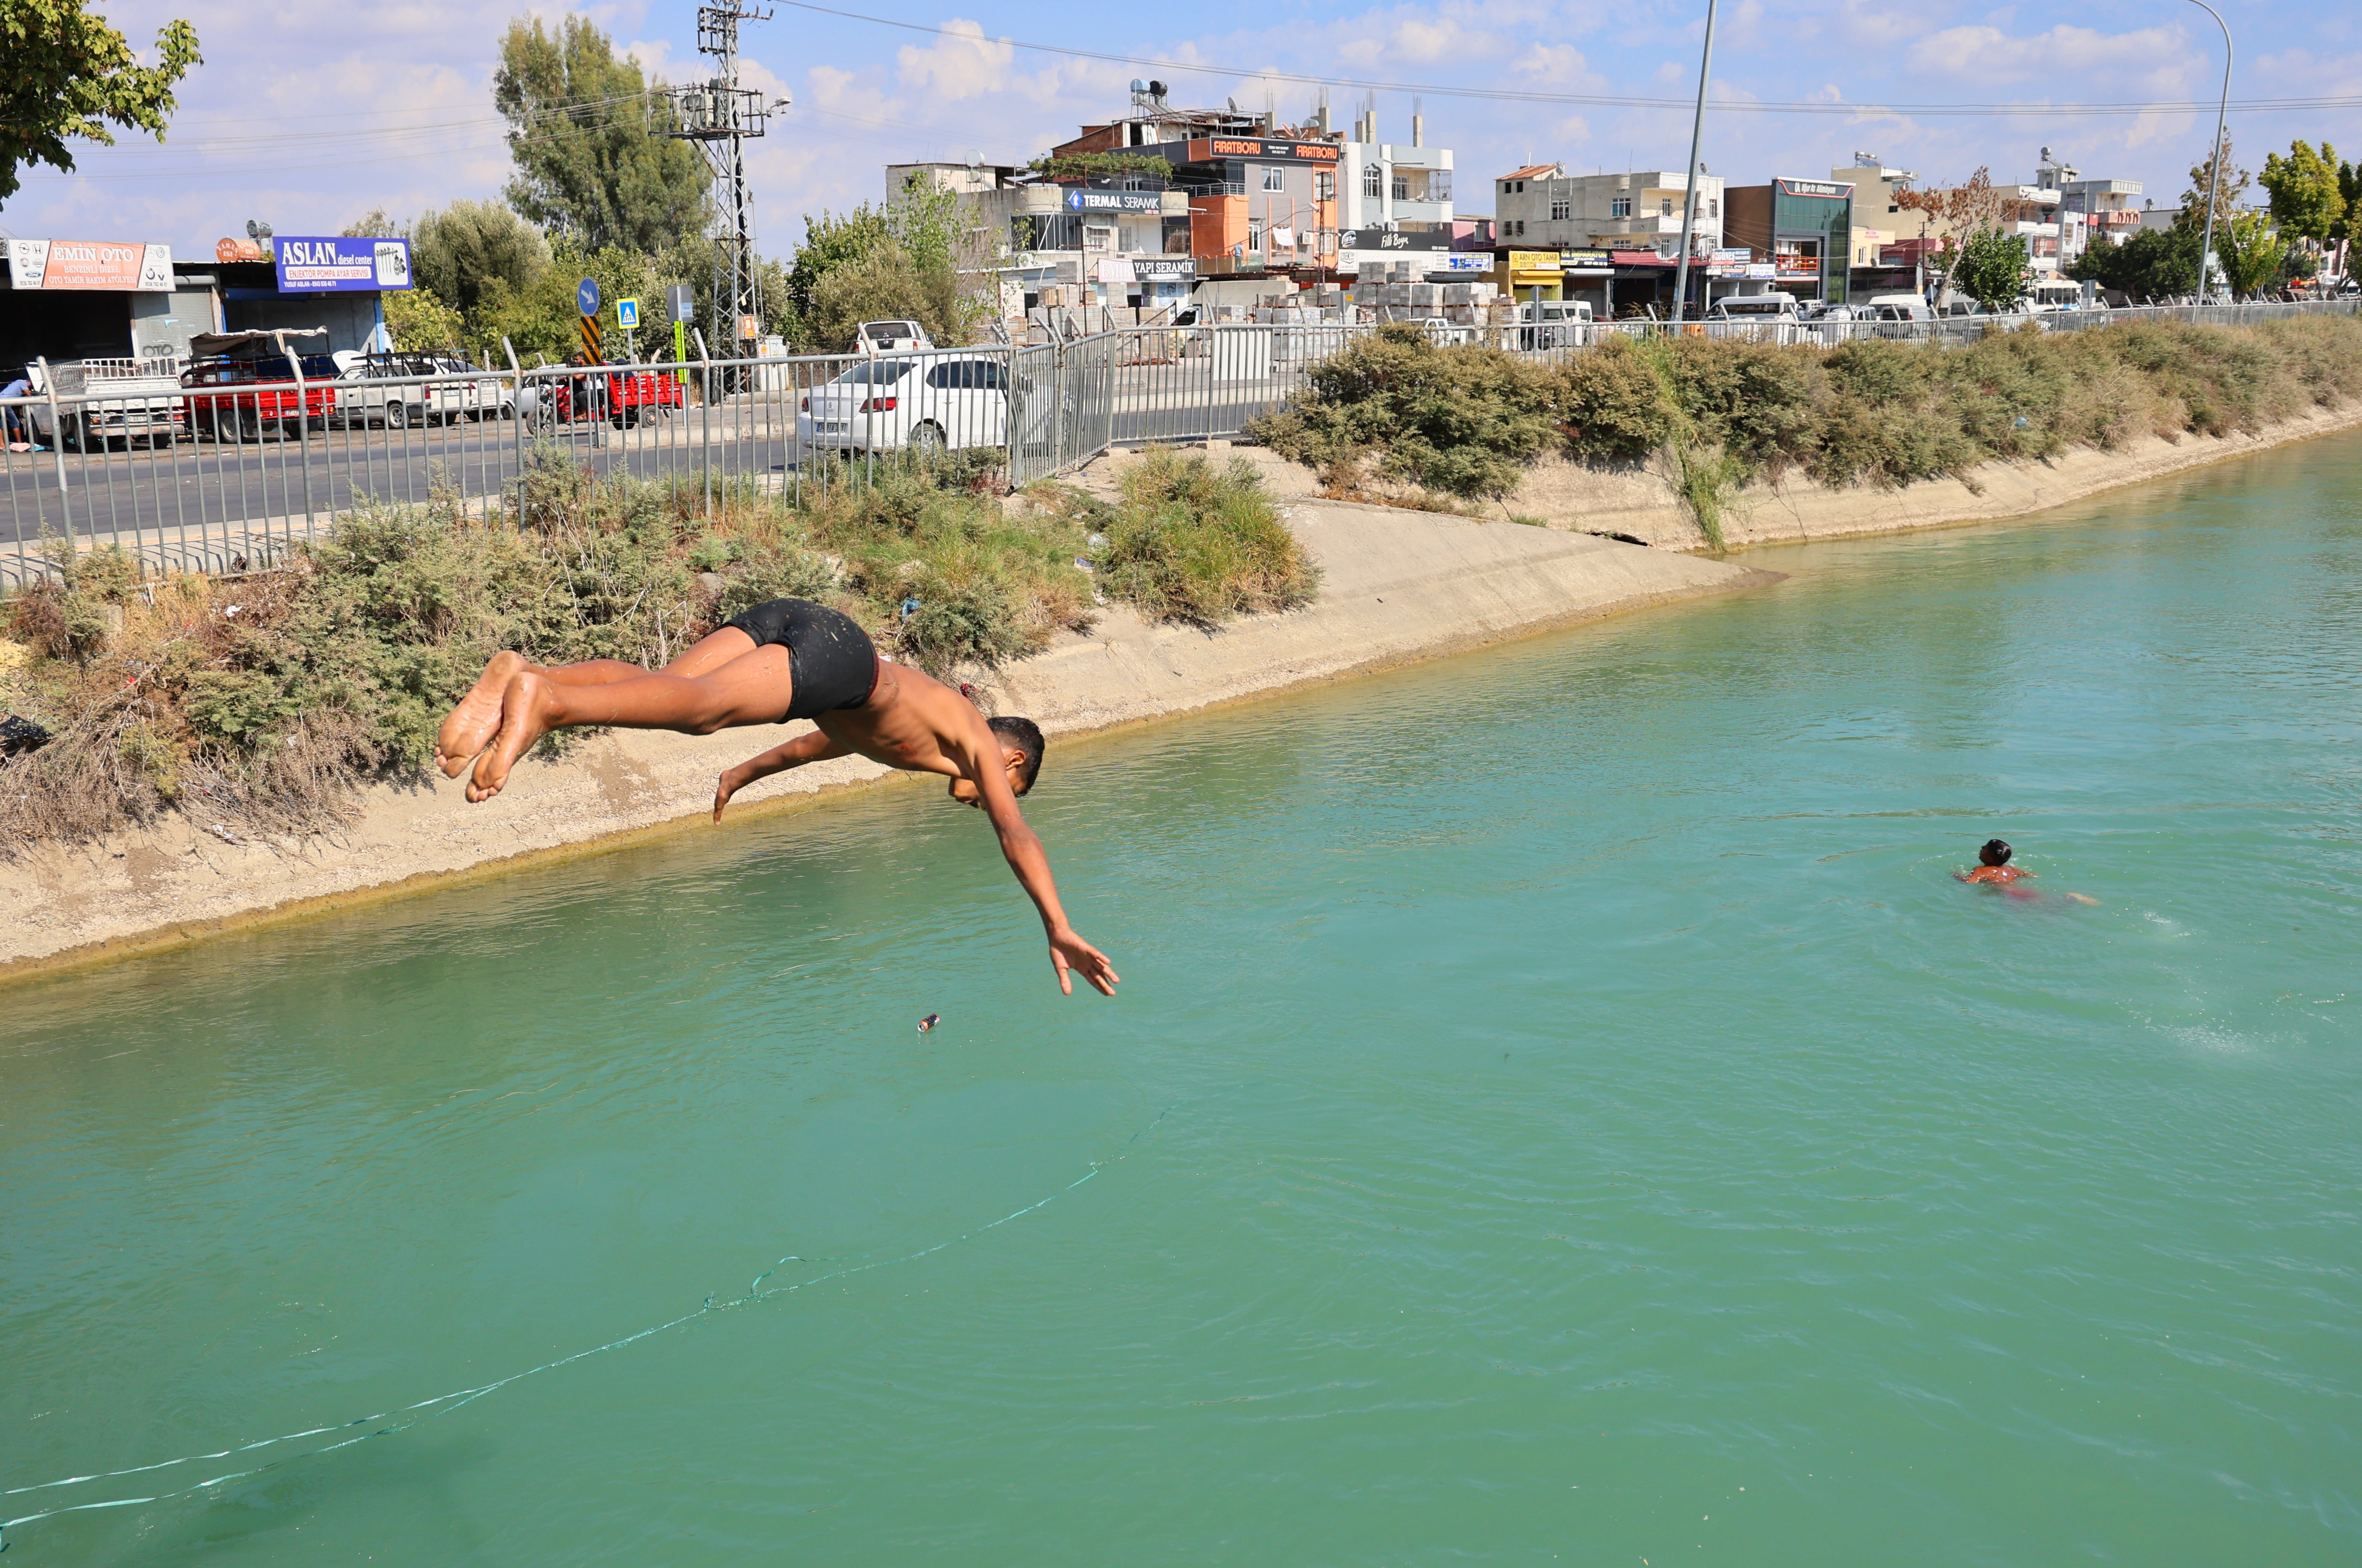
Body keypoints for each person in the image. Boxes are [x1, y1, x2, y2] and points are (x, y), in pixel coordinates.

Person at [433, 597, 1120, 996]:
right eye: (1005, 784)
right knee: (701, 711)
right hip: (840, 659)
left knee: (664, 688)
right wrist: (1055, 921)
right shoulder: (974, 740)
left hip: (799, 624)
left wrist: (743, 776)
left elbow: (816, 745)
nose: (984, 800)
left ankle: (530, 678)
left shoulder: (923, 735)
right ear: (1013, 760)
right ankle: (546, 703)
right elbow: (1015, 833)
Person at [1955, 838, 2099, 904]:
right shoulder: (2010, 870)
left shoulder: (1981, 870)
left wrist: (1957, 877)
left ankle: (2069, 899)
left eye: (1985, 848)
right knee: (2045, 903)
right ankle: (2069, 898)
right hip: (2023, 892)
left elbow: (1969, 883)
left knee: (2041, 913)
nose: (1981, 848)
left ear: (1991, 859)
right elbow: (2030, 875)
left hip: (2010, 897)